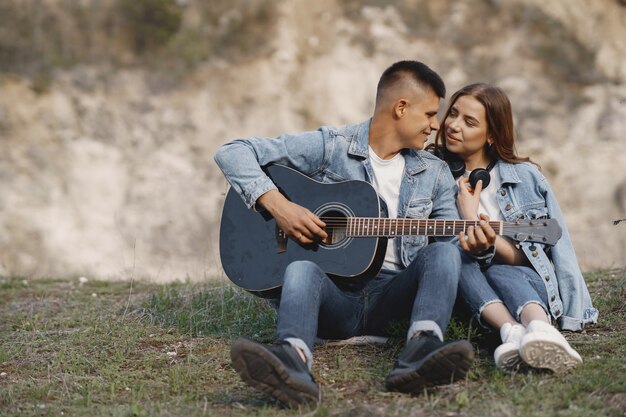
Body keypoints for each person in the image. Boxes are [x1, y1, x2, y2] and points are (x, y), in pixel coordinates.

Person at [214, 61, 495, 407]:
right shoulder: (332, 146)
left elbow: (450, 246)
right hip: (334, 298)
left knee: (444, 253)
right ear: (400, 108)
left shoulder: (434, 173)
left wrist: (476, 246)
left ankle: (421, 351)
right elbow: (233, 152)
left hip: (394, 298)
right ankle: (293, 364)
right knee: (301, 269)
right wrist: (282, 208)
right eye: (429, 114)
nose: (436, 125)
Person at [431, 83, 598, 373]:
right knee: (455, 258)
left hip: (524, 283)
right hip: (469, 291)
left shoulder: (525, 177)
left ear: (492, 135)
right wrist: (467, 218)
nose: (453, 126)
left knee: (499, 268)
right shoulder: (428, 171)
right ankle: (513, 333)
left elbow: (546, 252)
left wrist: (489, 242)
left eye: (469, 122)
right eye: (453, 114)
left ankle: (540, 330)